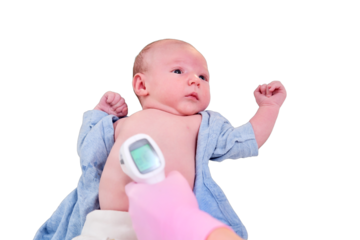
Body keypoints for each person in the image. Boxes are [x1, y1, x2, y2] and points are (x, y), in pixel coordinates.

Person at [73, 37, 287, 240]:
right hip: (106, 226)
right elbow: (89, 153)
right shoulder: (123, 122)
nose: (195, 80)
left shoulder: (203, 124)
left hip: (169, 228)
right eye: (178, 70)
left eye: (203, 77)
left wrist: (269, 107)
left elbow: (245, 140)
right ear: (142, 85)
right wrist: (100, 114)